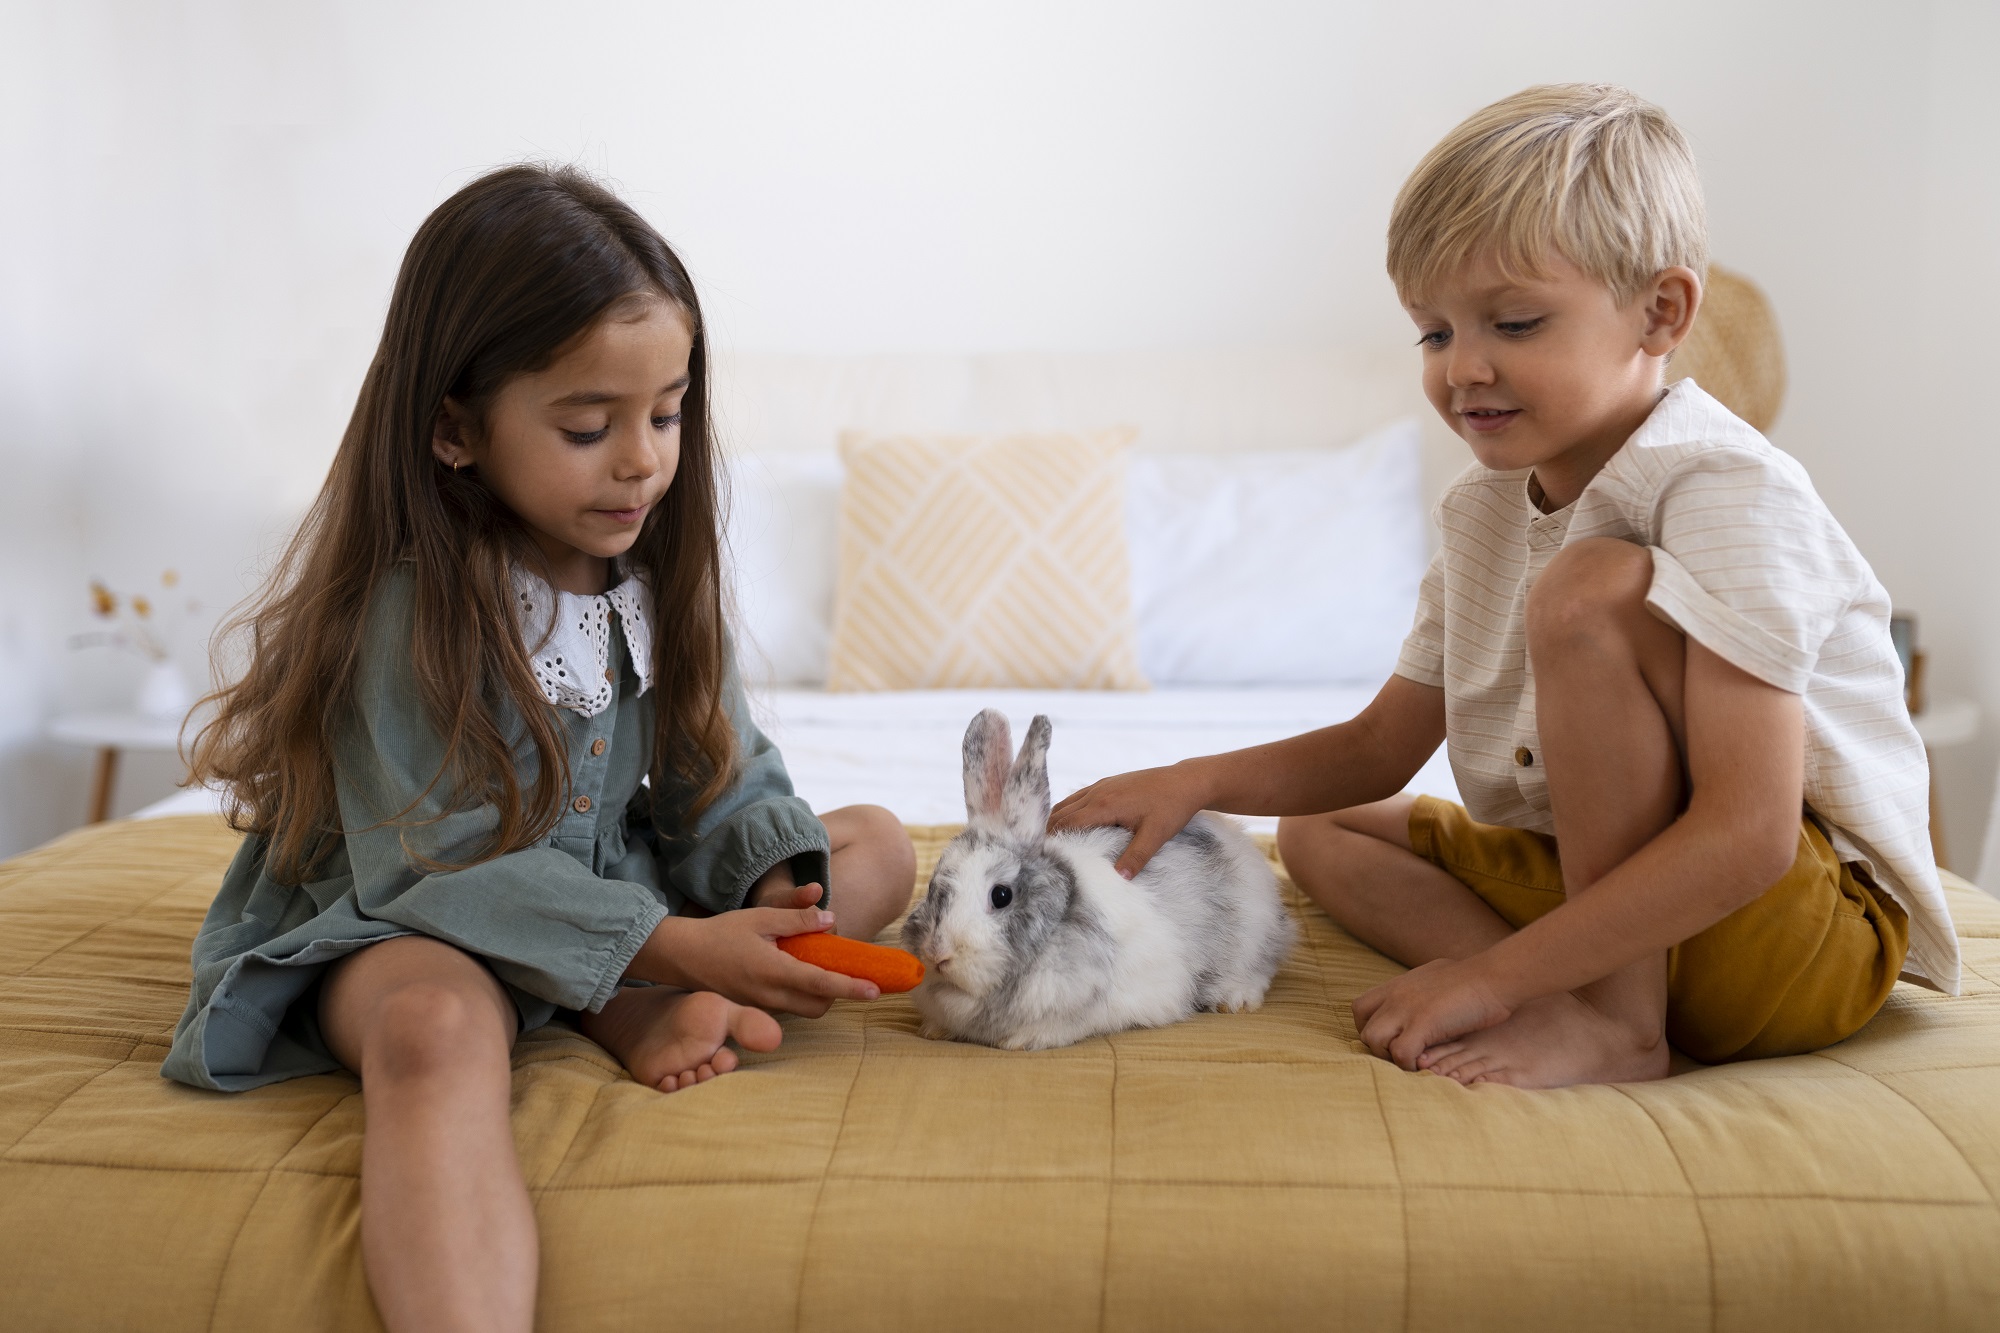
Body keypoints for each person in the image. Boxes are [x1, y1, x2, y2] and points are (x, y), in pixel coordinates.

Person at [1051, 84, 1958, 1091]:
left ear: (1659, 313)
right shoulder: (1480, 512)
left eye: (1514, 322)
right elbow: (1376, 749)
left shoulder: (1723, 488)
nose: (1463, 367)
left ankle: (1614, 1023)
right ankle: (1566, 995)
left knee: (1588, 588)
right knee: (1318, 831)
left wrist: (1484, 973)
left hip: (1789, 933)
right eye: (1433, 333)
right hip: (1620, 901)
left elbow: (1745, 838)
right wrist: (1195, 779)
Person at [161, 164, 917, 1333]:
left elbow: (721, 766)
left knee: (870, 847)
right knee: (435, 1030)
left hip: (607, 899)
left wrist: (770, 891)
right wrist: (682, 942)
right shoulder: (409, 609)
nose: (641, 462)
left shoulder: (654, 576)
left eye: (665, 415)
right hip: (412, 921)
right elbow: (434, 861)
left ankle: (626, 995)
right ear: (456, 427)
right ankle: (632, 994)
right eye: (586, 426)